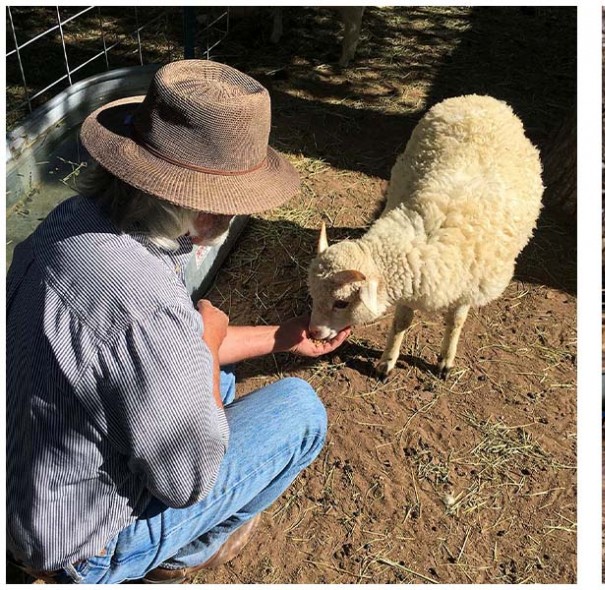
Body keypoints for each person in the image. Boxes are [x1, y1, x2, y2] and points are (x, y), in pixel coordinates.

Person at [6, 60, 351, 583]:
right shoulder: (149, 303)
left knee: (223, 384)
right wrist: (208, 351)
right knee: (299, 412)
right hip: (80, 542)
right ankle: (181, 553)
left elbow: (153, 352)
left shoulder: (69, 225)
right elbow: (187, 480)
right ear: (211, 214)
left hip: (28, 489)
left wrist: (283, 338)